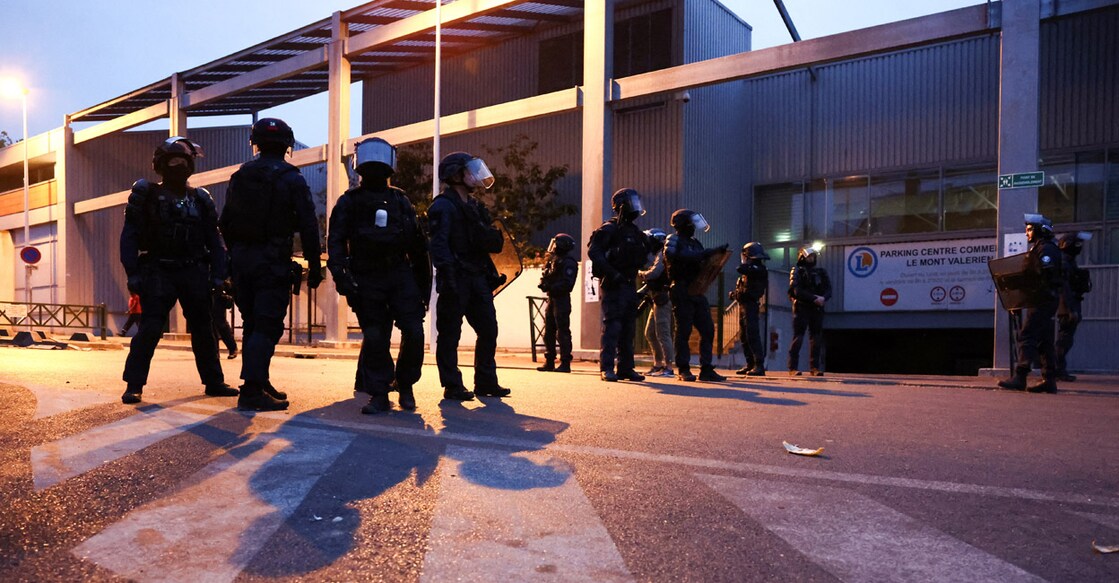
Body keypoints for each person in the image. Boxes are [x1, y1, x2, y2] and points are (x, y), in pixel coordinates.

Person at [119, 136, 239, 404]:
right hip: (158, 269)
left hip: (194, 270)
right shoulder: (146, 193)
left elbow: (215, 239)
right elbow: (129, 235)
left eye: (184, 161)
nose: (179, 166)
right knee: (150, 328)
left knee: (204, 328)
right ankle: (134, 384)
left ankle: (214, 381)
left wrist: (220, 274)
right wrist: (132, 273)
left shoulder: (201, 198)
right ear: (161, 164)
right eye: (173, 161)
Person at [219, 118, 322, 411]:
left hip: (242, 263)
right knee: (267, 325)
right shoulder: (292, 178)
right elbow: (308, 225)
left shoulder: (241, 175)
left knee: (253, 323)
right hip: (271, 261)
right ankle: (251, 390)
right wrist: (314, 266)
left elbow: (224, 221)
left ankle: (258, 381)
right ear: (287, 144)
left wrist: (236, 254)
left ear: (257, 143)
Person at [328, 137, 430, 414]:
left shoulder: (400, 199)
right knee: (375, 336)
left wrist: (423, 287)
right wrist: (343, 277)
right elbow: (335, 241)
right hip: (367, 274)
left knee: (414, 331)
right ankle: (379, 392)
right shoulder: (350, 201)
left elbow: (418, 245)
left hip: (399, 273)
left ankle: (405, 384)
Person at [428, 151, 511, 400]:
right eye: (469, 170)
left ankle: (485, 382)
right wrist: (449, 276)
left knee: (488, 329)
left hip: (477, 277)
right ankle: (452, 385)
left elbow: (488, 240)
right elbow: (439, 245)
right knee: (450, 334)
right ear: (455, 175)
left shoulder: (474, 206)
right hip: (456, 276)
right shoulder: (443, 206)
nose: (475, 175)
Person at [587, 188, 651, 383]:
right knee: (613, 326)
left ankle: (626, 368)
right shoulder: (609, 228)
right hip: (614, 284)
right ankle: (606, 368)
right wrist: (611, 273)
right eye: (632, 202)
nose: (636, 207)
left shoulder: (634, 231)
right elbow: (594, 252)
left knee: (628, 328)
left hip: (629, 283)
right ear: (621, 205)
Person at [998, 214, 1062, 393]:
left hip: (1041, 300)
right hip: (1044, 299)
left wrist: (1018, 283)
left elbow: (1042, 276)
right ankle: (1049, 380)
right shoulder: (1042, 248)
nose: (1027, 233)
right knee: (1044, 340)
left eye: (1029, 229)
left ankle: (1020, 376)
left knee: (1027, 336)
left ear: (1040, 230)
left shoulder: (1045, 250)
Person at [664, 209, 728, 382]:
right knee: (683, 330)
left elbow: (701, 261)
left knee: (707, 329)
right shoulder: (673, 240)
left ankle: (706, 368)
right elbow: (676, 256)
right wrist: (706, 253)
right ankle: (683, 369)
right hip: (681, 289)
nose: (694, 227)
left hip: (696, 289)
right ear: (684, 224)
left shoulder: (695, 242)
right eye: (691, 223)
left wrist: (715, 258)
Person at [536, 233, 579, 373]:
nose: (553, 247)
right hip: (552, 299)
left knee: (563, 332)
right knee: (549, 331)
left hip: (562, 300)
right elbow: (546, 275)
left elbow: (568, 284)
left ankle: (565, 363)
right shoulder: (553, 260)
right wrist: (543, 283)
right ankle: (549, 361)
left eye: (556, 244)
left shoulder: (569, 262)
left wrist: (550, 287)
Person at [787, 245, 831, 376]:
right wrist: (813, 298)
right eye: (809, 256)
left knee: (816, 338)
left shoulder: (821, 272)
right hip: (801, 307)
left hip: (817, 307)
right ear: (802, 257)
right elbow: (796, 290)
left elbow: (828, 288)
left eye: (813, 256)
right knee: (798, 337)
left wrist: (823, 298)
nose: (811, 258)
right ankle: (792, 367)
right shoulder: (797, 271)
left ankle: (815, 368)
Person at [1055, 231, 1093, 382]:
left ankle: (1059, 369)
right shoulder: (1065, 263)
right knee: (1064, 340)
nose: (1080, 247)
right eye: (1077, 244)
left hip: (1071, 305)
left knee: (1066, 339)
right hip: (1067, 307)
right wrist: (1070, 309)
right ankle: (1058, 370)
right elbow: (1064, 289)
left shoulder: (1070, 262)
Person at [638, 228, 674, 377]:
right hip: (656, 298)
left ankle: (669, 367)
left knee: (663, 333)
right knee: (650, 333)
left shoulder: (662, 255)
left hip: (663, 298)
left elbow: (654, 273)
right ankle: (658, 364)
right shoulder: (657, 255)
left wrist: (640, 273)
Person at [732, 242, 770, 376]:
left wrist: (743, 261)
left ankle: (758, 365)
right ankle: (750, 363)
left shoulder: (758, 269)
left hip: (751, 305)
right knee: (744, 335)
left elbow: (741, 268)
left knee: (752, 334)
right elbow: (743, 287)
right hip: (744, 305)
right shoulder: (749, 270)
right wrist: (735, 294)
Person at [211, 283, 238, 359]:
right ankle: (215, 352)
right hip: (211, 294)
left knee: (221, 324)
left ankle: (233, 348)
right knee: (211, 326)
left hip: (219, 295)